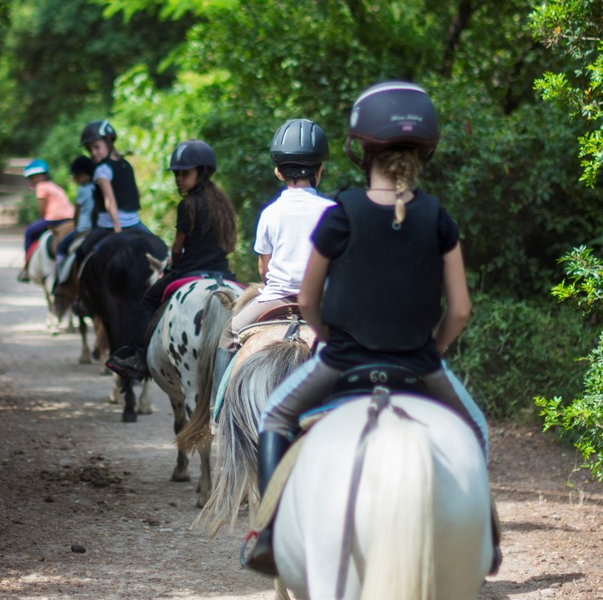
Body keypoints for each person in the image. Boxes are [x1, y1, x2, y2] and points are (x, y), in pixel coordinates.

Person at [245, 81, 496, 576]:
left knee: (273, 417)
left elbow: (310, 299)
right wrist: (430, 350)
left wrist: (329, 339)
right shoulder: (438, 217)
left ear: (360, 150)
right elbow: (461, 310)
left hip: (344, 360)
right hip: (418, 364)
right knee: (477, 429)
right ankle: (484, 536)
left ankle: (268, 534)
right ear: (424, 152)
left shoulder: (340, 214)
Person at [211, 118, 334, 404]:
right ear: (320, 170)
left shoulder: (270, 213)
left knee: (228, 335)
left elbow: (264, 271)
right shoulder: (333, 211)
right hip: (324, 302)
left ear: (278, 172)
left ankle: (217, 409)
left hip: (276, 299)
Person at [106, 140, 239, 380]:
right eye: (177, 174)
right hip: (222, 273)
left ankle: (137, 357)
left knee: (148, 300)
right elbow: (229, 243)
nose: (179, 178)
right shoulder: (223, 203)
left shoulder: (188, 204)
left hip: (190, 270)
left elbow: (177, 247)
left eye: (185, 173)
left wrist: (173, 265)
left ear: (202, 172)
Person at [73, 119, 151, 268]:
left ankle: (80, 289)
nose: (93, 153)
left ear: (109, 142)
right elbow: (136, 193)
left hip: (108, 226)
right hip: (134, 223)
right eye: (90, 149)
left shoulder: (101, 170)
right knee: (159, 250)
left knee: (81, 253)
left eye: (97, 147)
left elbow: (110, 202)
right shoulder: (125, 164)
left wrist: (118, 231)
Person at [19, 159, 74, 282]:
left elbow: (42, 210)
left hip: (55, 219)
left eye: (35, 177)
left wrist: (41, 218)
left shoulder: (41, 187)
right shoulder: (54, 186)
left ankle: (26, 267)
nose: (34, 180)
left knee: (29, 232)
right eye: (32, 177)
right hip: (70, 218)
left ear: (43, 176)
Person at [53, 155, 96, 283]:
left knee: (61, 247)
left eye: (77, 176)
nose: (76, 179)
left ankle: (59, 278)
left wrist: (76, 226)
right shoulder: (97, 186)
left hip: (83, 228)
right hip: (97, 227)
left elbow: (77, 211)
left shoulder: (82, 190)